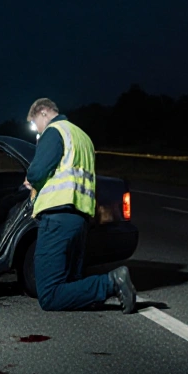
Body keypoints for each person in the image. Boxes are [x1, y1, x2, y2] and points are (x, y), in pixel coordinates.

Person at [23, 98, 138, 313]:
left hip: (58, 216)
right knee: (70, 282)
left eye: (35, 123)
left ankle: (111, 282)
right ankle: (98, 293)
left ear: (44, 113)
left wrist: (30, 180)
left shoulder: (55, 130)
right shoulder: (83, 137)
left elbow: (37, 172)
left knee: (49, 295)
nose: (37, 129)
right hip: (80, 219)